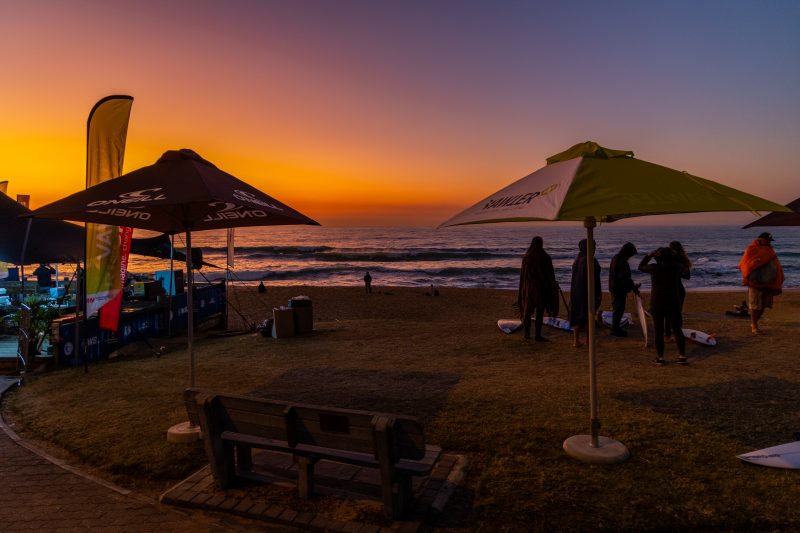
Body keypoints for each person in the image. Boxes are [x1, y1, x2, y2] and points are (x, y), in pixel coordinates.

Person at [639, 247, 686, 365]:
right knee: (677, 329)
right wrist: (674, 254)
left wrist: (649, 255)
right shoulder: (677, 267)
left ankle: (660, 358)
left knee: (658, 331)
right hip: (673, 301)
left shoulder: (654, 268)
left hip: (657, 302)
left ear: (658, 257)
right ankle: (682, 356)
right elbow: (681, 263)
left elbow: (640, 266)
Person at [738, 232, 784, 335]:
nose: (768, 242)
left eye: (769, 241)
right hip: (755, 282)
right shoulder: (751, 249)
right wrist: (756, 265)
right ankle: (754, 325)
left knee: (764, 304)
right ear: (760, 239)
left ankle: (754, 323)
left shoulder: (769, 249)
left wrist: (776, 277)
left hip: (768, 282)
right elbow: (745, 264)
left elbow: (775, 263)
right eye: (767, 240)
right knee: (755, 305)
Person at [517, 236, 559, 341]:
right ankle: (537, 335)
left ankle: (526, 334)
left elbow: (523, 276)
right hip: (541, 289)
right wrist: (553, 286)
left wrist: (523, 288)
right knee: (539, 312)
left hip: (528, 289)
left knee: (527, 312)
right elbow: (549, 275)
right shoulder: (545, 257)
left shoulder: (526, 258)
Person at [569, 239, 601, 348]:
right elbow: (594, 279)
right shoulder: (590, 260)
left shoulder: (577, 260)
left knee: (577, 316)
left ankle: (576, 341)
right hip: (587, 292)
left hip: (576, 293)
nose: (595, 248)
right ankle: (588, 340)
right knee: (589, 316)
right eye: (594, 246)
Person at [608, 242, 640, 337]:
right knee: (619, 309)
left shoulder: (616, 258)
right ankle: (615, 330)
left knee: (617, 308)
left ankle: (615, 328)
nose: (630, 257)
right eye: (631, 254)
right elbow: (625, 278)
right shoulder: (622, 261)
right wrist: (634, 288)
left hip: (614, 287)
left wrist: (632, 287)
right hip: (618, 289)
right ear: (627, 252)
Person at [664, 241, 691, 340]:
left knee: (668, 314)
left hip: (669, 289)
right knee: (677, 314)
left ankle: (667, 335)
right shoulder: (683, 260)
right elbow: (687, 276)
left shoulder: (668, 259)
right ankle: (676, 334)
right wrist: (679, 274)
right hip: (679, 289)